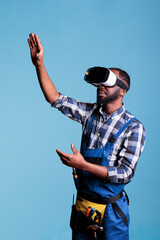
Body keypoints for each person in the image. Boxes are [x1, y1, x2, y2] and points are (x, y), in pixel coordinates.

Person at [28, 33, 146, 240]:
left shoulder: (133, 128)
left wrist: (83, 165)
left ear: (123, 91)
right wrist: (39, 64)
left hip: (111, 213)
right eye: (99, 83)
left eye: (108, 83)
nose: (101, 86)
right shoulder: (89, 113)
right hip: (84, 208)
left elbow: (125, 173)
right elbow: (55, 99)